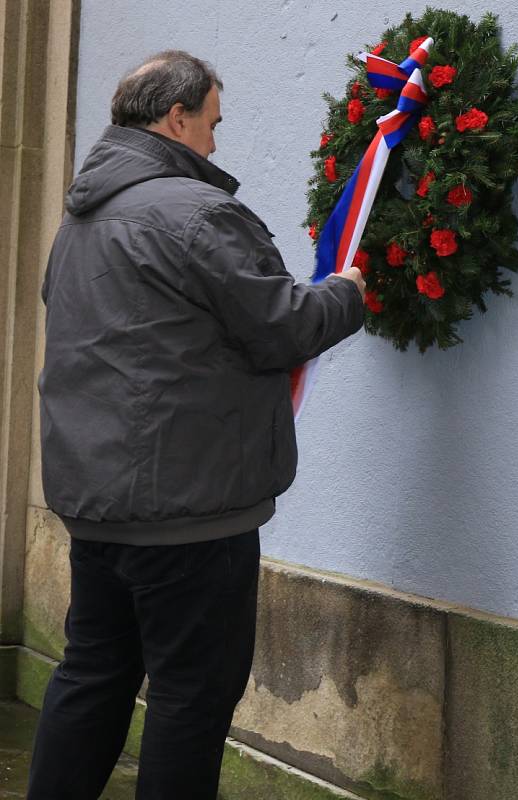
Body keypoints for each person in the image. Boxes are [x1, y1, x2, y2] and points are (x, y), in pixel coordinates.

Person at [27, 50, 366, 799]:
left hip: (99, 507)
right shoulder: (198, 212)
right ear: (176, 119)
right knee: (190, 698)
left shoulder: (77, 222)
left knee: (91, 678)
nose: (215, 142)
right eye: (212, 124)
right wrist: (347, 290)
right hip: (191, 514)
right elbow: (281, 327)